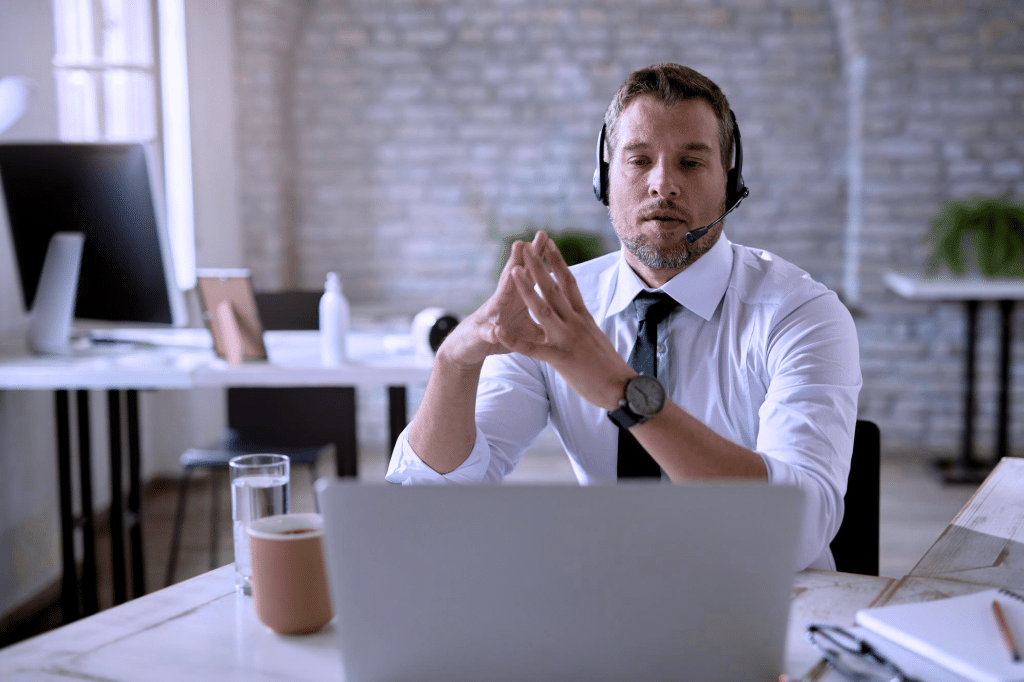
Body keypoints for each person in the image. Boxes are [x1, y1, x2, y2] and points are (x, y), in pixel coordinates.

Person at [386, 63, 861, 571]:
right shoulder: (558, 309)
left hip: (763, 594)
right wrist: (456, 359)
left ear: (731, 182)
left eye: (691, 163)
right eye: (639, 160)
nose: (664, 184)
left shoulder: (801, 314)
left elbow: (798, 530)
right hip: (609, 591)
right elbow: (427, 497)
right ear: (604, 178)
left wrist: (622, 390)